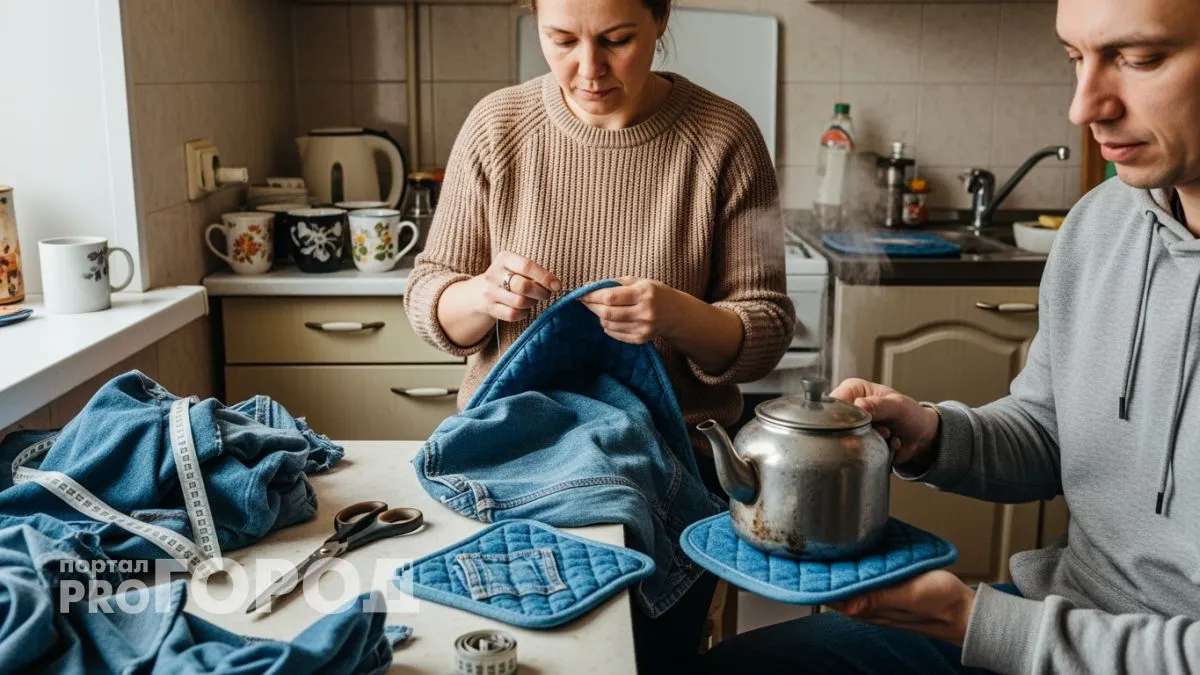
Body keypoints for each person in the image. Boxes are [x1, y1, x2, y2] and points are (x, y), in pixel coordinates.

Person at [699, 0, 1200, 672]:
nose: (1085, 107)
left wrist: (975, 623)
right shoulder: (1101, 223)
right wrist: (933, 434)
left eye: (1139, 59)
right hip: (1062, 611)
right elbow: (1051, 435)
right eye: (1075, 58)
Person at [402, 0, 795, 670]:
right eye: (561, 40)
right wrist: (481, 295)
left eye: (616, 40)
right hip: (510, 457)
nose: (589, 69)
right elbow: (428, 294)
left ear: (661, 18)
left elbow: (766, 326)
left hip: (674, 467)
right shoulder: (498, 126)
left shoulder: (723, 137)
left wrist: (676, 316)